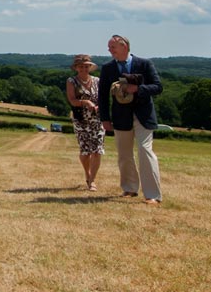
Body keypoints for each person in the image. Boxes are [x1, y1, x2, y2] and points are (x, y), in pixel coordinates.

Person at [97, 34, 163, 205]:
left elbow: (158, 87)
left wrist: (138, 89)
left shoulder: (145, 63)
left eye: (113, 47)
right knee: (124, 154)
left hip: (143, 115)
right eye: (109, 47)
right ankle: (130, 188)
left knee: (145, 151)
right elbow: (102, 96)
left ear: (124, 46)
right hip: (120, 116)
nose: (109, 50)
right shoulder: (107, 68)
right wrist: (104, 119)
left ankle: (152, 195)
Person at [65, 55, 105, 191]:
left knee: (97, 150)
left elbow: (102, 99)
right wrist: (85, 102)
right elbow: (72, 100)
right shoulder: (72, 81)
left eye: (86, 66)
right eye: (81, 66)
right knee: (85, 151)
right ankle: (87, 174)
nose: (84, 69)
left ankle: (92, 180)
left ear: (90, 67)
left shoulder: (97, 81)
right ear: (76, 68)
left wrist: (99, 106)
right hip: (81, 119)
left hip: (96, 119)